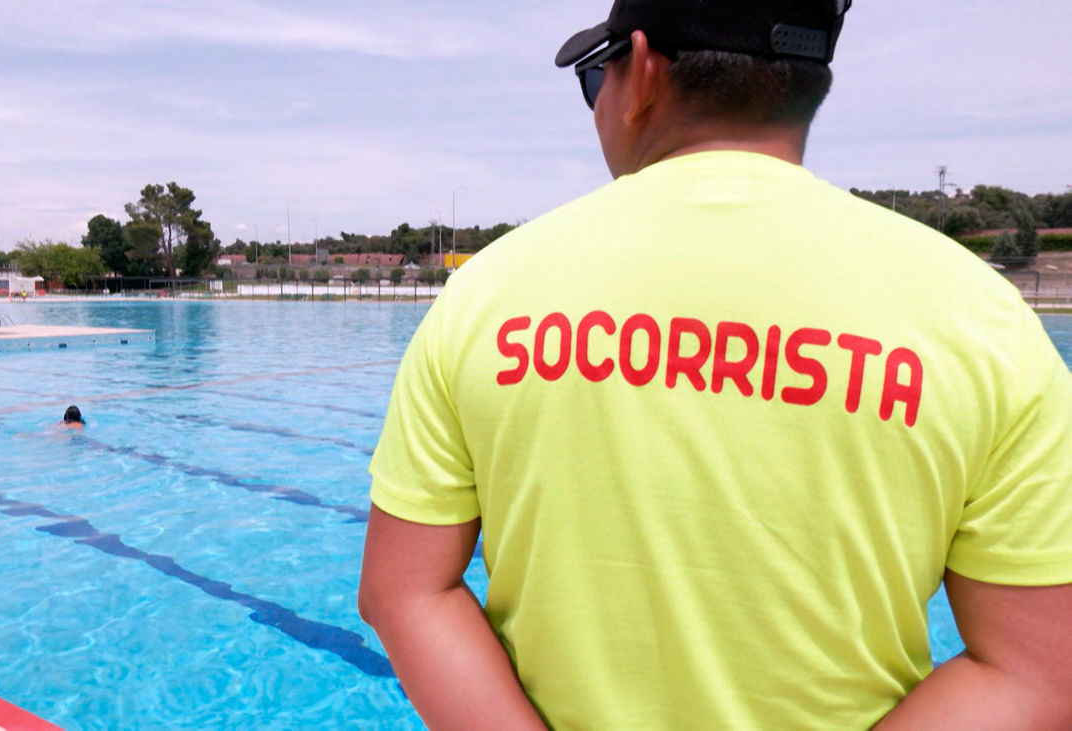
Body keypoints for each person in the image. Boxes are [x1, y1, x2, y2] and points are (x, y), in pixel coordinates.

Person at [359, 1, 1072, 728]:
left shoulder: (487, 294)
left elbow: (404, 591)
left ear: (642, 72)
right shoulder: (983, 321)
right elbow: (1037, 670)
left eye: (595, 77)